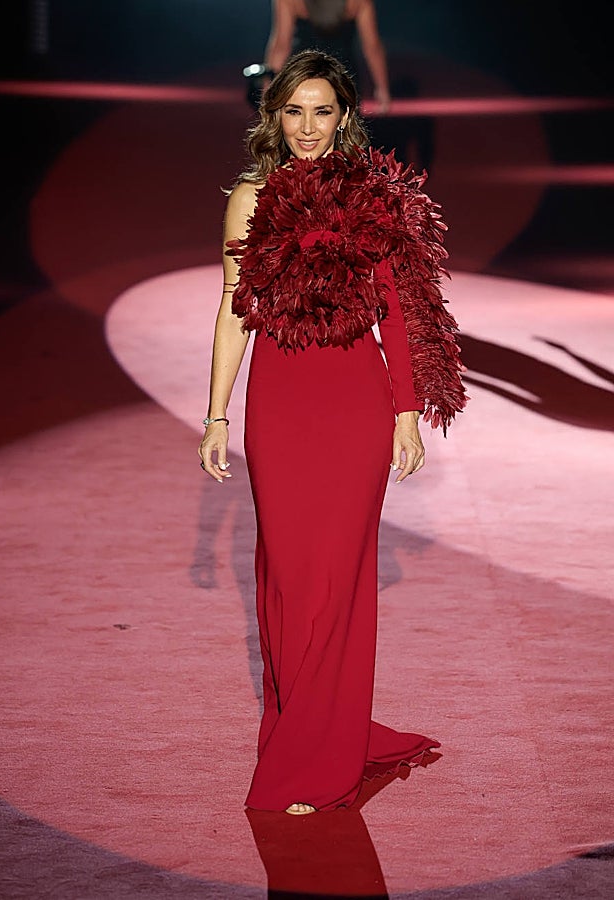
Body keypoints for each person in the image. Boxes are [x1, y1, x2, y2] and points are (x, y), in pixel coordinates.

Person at [199, 49, 467, 815]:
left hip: (355, 405)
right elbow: (231, 308)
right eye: (293, 111)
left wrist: (406, 412)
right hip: (278, 407)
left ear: (344, 115)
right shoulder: (250, 198)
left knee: (339, 581)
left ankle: (314, 758)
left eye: (323, 111)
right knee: (289, 579)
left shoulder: (373, 199)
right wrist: (216, 413)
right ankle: (303, 728)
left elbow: (397, 310)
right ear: (272, 118)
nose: (308, 127)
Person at [264, 0, 392, 112]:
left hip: (303, 77)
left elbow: (281, 47)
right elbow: (372, 46)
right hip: (344, 79)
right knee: (345, 134)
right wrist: (382, 90)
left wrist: (268, 91)